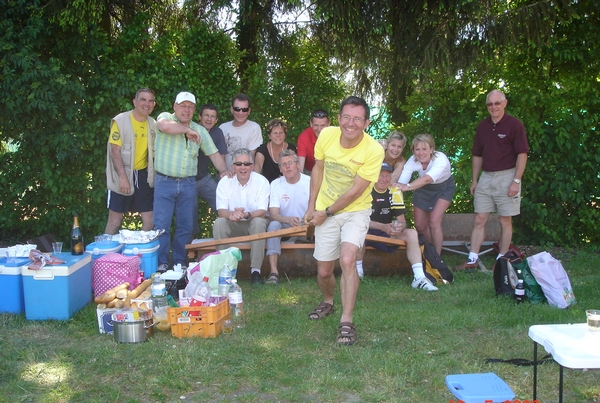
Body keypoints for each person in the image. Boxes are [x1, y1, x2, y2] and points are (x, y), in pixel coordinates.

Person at [304, 96, 384, 346]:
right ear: (338, 119)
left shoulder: (373, 150)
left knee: (348, 259)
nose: (351, 123)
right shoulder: (326, 135)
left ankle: (346, 320)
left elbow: (356, 192)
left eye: (357, 118)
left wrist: (325, 212)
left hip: (355, 210)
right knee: (324, 271)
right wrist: (312, 206)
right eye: (346, 117)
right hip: (324, 208)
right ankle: (328, 301)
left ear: (366, 122)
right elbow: (318, 168)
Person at [454, 89, 529, 272]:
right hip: (486, 177)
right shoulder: (483, 126)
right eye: (490, 104)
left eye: (497, 103)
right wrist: (474, 180)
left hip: (507, 176)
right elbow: (477, 155)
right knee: (479, 218)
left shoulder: (514, 125)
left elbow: (522, 154)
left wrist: (516, 181)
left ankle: (501, 260)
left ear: (505, 103)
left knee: (505, 220)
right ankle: (472, 259)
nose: (493, 107)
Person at [153, 92, 220, 270]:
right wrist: (187, 130)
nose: (187, 109)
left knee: (186, 227)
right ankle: (161, 263)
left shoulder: (200, 131)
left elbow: (214, 154)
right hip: (164, 182)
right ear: (175, 106)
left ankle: (179, 263)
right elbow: (164, 126)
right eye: (183, 105)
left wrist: (226, 171)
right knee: (161, 227)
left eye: (190, 106)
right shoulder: (165, 117)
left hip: (188, 184)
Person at [355, 162, 438, 291]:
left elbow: (402, 221)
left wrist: (398, 227)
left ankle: (419, 278)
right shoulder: (366, 190)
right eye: (380, 175)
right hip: (365, 230)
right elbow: (358, 220)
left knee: (411, 233)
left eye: (387, 176)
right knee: (357, 230)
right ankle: (358, 274)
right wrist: (382, 226)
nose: (384, 179)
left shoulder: (394, 191)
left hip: (386, 231)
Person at [104, 88, 157, 235]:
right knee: (114, 222)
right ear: (134, 102)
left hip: (143, 175)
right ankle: (106, 256)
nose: (147, 104)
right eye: (143, 99)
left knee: (150, 221)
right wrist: (122, 177)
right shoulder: (120, 121)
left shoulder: (153, 124)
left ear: (154, 104)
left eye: (151, 100)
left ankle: (136, 252)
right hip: (122, 174)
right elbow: (115, 151)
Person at [213, 148, 270, 284]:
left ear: (252, 166)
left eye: (246, 164)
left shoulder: (262, 181)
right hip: (234, 223)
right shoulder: (225, 182)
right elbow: (221, 211)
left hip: (253, 223)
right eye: (238, 164)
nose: (242, 167)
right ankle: (224, 270)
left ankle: (255, 271)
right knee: (219, 223)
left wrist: (246, 214)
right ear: (233, 167)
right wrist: (232, 214)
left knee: (259, 222)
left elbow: (262, 211)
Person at [396, 134, 455, 256]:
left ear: (431, 149)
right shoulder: (412, 160)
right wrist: (396, 188)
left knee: (434, 221)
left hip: (443, 187)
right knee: (420, 225)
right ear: (413, 150)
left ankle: (437, 257)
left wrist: (408, 187)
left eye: (424, 149)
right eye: (417, 149)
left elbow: (427, 179)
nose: (420, 153)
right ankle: (429, 251)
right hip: (423, 188)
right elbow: (402, 183)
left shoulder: (440, 159)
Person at [265, 150, 310, 284]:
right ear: (280, 169)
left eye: (290, 163)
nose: (288, 167)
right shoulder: (275, 184)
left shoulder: (310, 182)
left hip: (307, 224)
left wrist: (306, 221)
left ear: (297, 165)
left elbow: (317, 209)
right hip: (284, 225)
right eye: (284, 164)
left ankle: (324, 269)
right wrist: (288, 219)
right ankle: (274, 272)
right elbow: (273, 214)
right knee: (273, 225)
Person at [219, 93, 263, 170]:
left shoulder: (254, 128)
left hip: (245, 176)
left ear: (249, 111)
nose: (241, 113)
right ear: (232, 109)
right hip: (225, 176)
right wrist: (223, 173)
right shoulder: (222, 128)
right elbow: (219, 156)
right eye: (237, 109)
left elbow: (251, 156)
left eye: (244, 109)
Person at [254, 118, 296, 182]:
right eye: (275, 133)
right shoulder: (262, 149)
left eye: (281, 133)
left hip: (287, 184)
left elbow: (295, 169)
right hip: (268, 186)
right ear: (269, 135)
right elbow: (257, 168)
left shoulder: (291, 148)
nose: (278, 135)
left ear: (285, 135)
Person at [297, 110, 330, 174]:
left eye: (323, 125)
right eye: (316, 125)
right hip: (310, 170)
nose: (319, 129)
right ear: (311, 124)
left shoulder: (335, 135)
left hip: (329, 170)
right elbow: (300, 166)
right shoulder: (304, 137)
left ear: (328, 124)